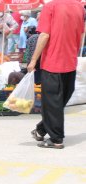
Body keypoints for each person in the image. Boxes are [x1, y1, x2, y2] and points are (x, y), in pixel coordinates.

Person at [27, 0, 85, 149]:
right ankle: (41, 130)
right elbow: (82, 32)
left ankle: (56, 139)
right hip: (70, 62)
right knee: (57, 103)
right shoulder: (80, 7)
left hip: (53, 63)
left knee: (51, 103)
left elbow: (44, 35)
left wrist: (33, 60)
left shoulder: (50, 7)